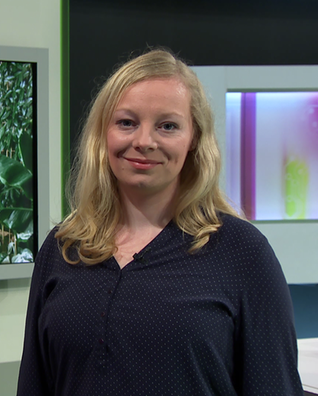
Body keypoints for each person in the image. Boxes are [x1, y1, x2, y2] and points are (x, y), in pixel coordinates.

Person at [16, 49, 303, 395]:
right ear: (103, 134)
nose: (144, 141)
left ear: (194, 138)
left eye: (167, 126)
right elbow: (34, 384)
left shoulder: (243, 254)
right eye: (127, 122)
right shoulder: (63, 248)